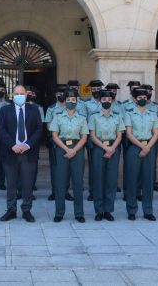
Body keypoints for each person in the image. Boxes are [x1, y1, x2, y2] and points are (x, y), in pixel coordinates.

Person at [0, 85, 43, 223]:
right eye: (16, 93)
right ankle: (11, 210)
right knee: (11, 184)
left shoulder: (34, 110)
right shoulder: (5, 110)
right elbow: (1, 128)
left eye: (21, 93)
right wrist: (13, 145)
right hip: (10, 152)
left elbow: (39, 129)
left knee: (27, 184)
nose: (19, 95)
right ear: (12, 95)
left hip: (28, 153)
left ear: (26, 95)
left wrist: (27, 144)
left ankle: (26, 210)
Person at [50, 90, 89, 223]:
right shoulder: (58, 116)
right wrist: (67, 149)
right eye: (68, 100)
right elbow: (54, 135)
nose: (71, 102)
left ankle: (79, 213)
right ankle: (59, 213)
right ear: (64, 101)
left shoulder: (82, 118)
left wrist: (74, 150)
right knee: (60, 182)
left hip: (77, 150)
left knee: (78, 182)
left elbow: (84, 137)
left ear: (77, 102)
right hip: (62, 150)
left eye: (73, 100)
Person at [88, 90, 124, 221]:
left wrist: (112, 148)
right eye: (104, 100)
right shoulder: (94, 117)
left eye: (109, 100)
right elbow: (92, 135)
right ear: (100, 101)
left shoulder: (117, 116)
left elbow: (119, 135)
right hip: (99, 148)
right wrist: (105, 148)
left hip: (113, 148)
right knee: (98, 180)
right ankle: (99, 210)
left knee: (111, 180)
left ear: (112, 101)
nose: (106, 102)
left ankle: (108, 210)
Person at [124, 87, 158, 221]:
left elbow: (156, 133)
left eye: (144, 98)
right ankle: (131, 210)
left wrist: (148, 146)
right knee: (132, 179)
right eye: (139, 98)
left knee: (148, 180)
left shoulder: (152, 114)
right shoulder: (129, 114)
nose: (142, 100)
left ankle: (148, 210)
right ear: (134, 99)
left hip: (149, 147)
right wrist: (142, 147)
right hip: (134, 147)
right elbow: (128, 133)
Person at [44, 84, 69, 201]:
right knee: (55, 168)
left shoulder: (71, 107)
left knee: (68, 168)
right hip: (55, 141)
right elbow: (48, 125)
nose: (61, 95)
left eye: (63, 93)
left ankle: (66, 192)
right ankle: (55, 192)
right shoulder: (51, 108)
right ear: (55, 95)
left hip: (69, 142)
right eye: (59, 93)